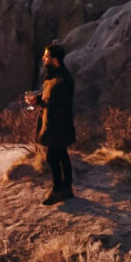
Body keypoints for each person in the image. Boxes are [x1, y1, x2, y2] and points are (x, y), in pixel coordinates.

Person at [39, 43, 76, 204]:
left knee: (52, 157)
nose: (43, 58)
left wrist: (49, 115)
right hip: (56, 123)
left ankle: (57, 190)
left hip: (57, 125)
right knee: (62, 154)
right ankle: (67, 188)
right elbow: (50, 97)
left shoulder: (62, 79)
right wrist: (38, 99)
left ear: (54, 60)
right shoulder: (54, 76)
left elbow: (61, 104)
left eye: (46, 56)